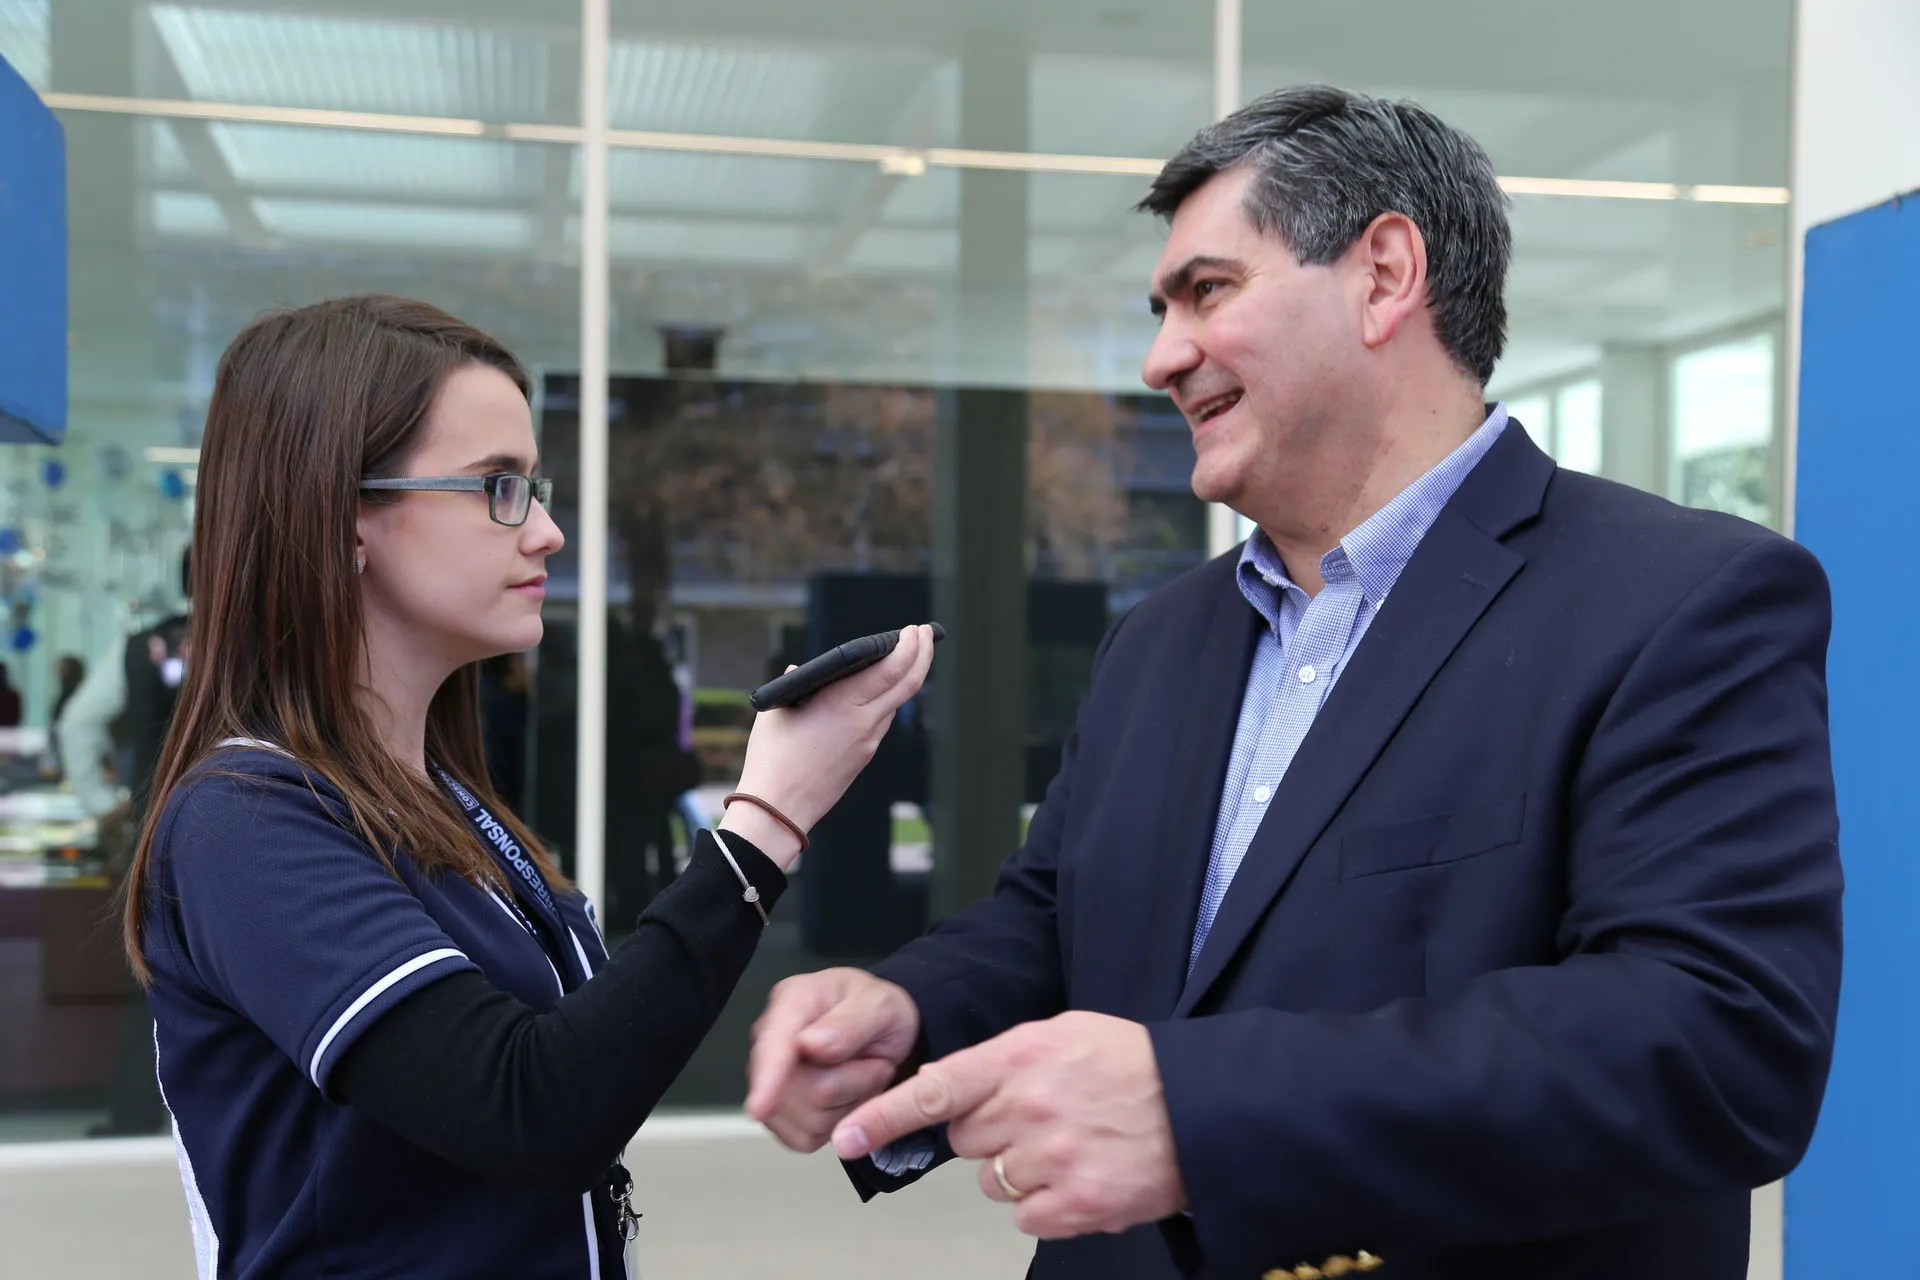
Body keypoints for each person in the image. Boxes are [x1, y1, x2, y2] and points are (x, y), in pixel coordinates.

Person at [745, 86, 1843, 1280]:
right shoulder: (1157, 640)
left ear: (1383, 273)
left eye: (1207, 290)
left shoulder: (1685, 598)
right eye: (1160, 308)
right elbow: (1060, 916)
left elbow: (1714, 1043)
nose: (1164, 356)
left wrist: (1196, 1110)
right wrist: (909, 1009)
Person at [121, 294, 935, 1279]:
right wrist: (763, 822)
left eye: (534, 485)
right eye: (499, 486)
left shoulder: (439, 796)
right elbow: (533, 1109)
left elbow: (575, 1065)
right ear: (343, 519)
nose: (546, 530)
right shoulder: (243, 820)